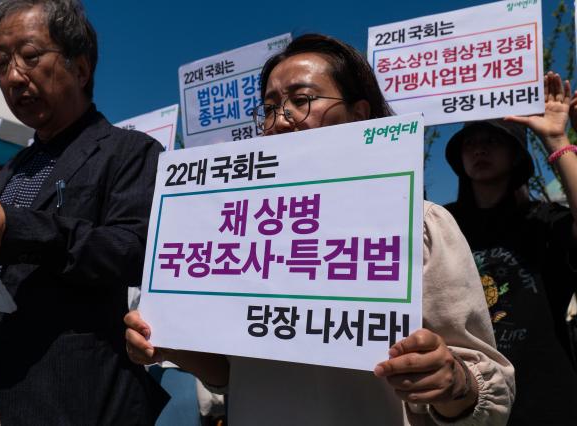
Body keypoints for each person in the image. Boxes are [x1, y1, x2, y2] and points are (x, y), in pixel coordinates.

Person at [125, 34, 515, 425]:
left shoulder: (419, 223)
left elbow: (488, 389)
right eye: (270, 107)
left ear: (360, 114)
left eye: (301, 100)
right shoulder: (240, 238)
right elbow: (233, 376)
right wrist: (170, 344)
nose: (279, 120)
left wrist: (453, 382)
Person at [0, 0, 168, 424]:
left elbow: (135, 249)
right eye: (1, 62)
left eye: (29, 57)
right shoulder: (11, 169)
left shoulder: (128, 153)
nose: (12, 76)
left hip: (49, 398)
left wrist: (19, 232)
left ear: (80, 68)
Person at [444, 71, 577, 425]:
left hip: (544, 404)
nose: (480, 148)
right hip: (460, 403)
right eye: (470, 141)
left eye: (493, 140)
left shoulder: (545, 221)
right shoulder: (441, 223)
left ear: (516, 155)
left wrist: (556, 139)